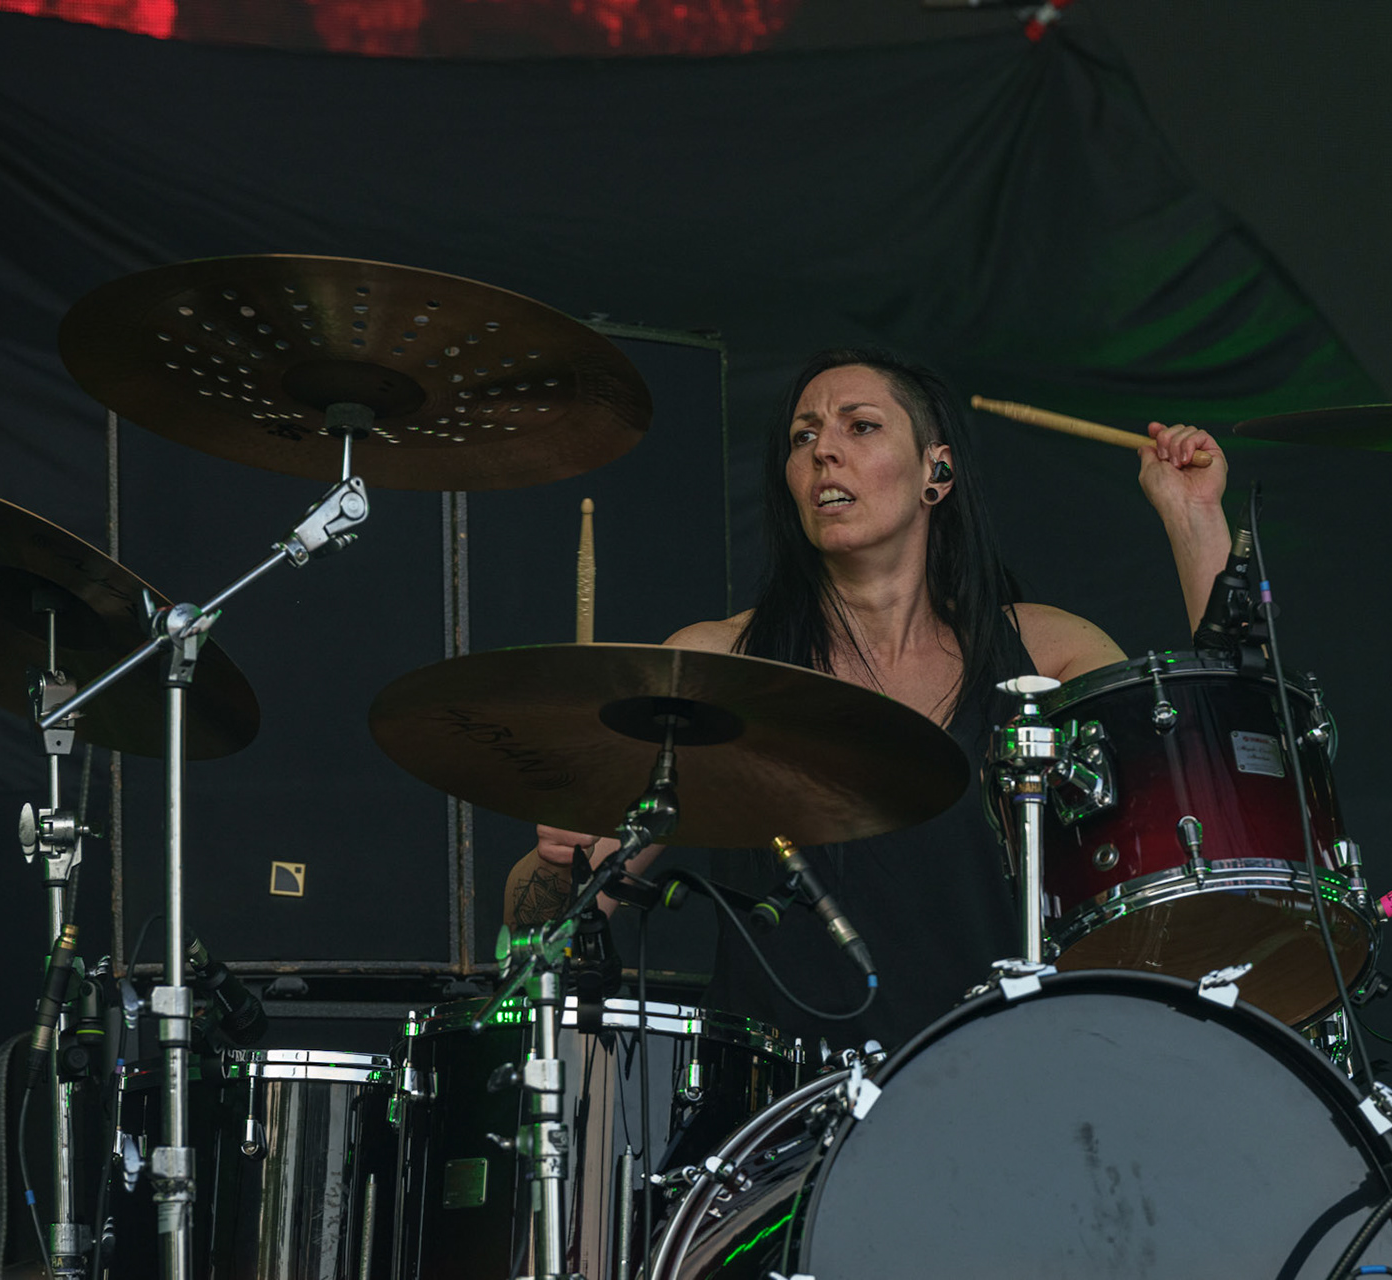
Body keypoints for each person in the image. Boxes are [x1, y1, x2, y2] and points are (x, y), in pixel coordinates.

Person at [504, 347, 1229, 1051]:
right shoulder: (714, 664)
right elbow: (544, 928)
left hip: (998, 1094)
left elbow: (1213, 791)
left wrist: (1194, 521)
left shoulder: (1048, 653)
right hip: (778, 1133)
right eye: (804, 435)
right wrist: (553, 861)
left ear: (935, 472)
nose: (825, 450)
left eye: (861, 425)